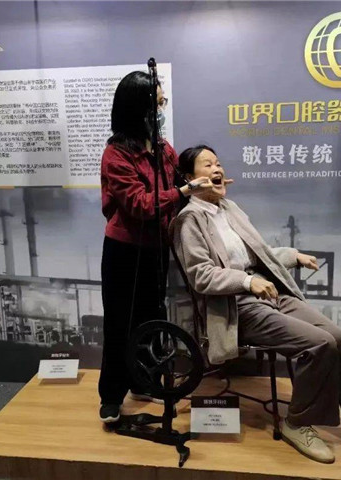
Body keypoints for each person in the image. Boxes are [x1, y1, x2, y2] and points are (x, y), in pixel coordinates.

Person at [171, 145, 341, 464]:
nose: (217, 168)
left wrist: (293, 256)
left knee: (340, 339)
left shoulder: (230, 209)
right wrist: (247, 282)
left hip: (269, 292)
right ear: (189, 178)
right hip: (234, 307)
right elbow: (201, 275)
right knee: (320, 344)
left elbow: (259, 254)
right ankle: (297, 423)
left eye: (218, 162)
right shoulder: (188, 220)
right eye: (207, 164)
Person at [98, 72, 216, 423]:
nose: (161, 110)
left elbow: (179, 182)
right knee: (119, 323)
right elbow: (139, 204)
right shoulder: (116, 154)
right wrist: (184, 191)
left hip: (155, 249)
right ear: (137, 109)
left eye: (163, 102)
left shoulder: (163, 149)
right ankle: (111, 395)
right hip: (124, 251)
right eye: (157, 103)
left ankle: (142, 381)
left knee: (151, 318)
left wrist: (207, 184)